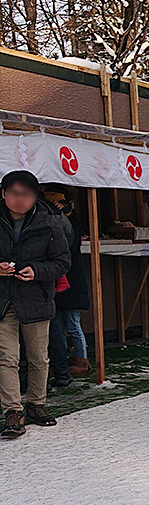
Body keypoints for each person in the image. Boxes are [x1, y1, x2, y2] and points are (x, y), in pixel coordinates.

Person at [0, 170, 71, 438]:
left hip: (36, 298)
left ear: (35, 196)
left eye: (26, 194)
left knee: (39, 357)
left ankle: (37, 405)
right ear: (4, 194)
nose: (20, 200)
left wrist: (37, 271)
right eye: (14, 193)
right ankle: (12, 412)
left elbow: (63, 261)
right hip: (4, 299)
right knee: (6, 357)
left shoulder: (50, 222)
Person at [43, 189, 88, 386]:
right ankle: (74, 362)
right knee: (66, 325)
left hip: (66, 279)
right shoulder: (69, 219)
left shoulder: (64, 220)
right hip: (66, 279)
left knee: (67, 325)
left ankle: (79, 361)